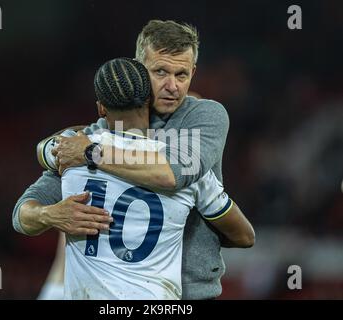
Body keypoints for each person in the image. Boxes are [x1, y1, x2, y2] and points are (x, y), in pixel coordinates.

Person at [13, 20, 235, 299]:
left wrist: (89, 153)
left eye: (182, 75)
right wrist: (49, 214)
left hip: (192, 294)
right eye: (161, 72)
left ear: (193, 72)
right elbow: (22, 213)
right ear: (139, 69)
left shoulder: (201, 118)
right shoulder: (104, 132)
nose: (173, 87)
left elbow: (173, 174)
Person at [53, 57, 253, 299]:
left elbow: (45, 151)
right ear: (149, 100)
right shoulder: (185, 166)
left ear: (101, 109)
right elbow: (244, 236)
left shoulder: (69, 153)